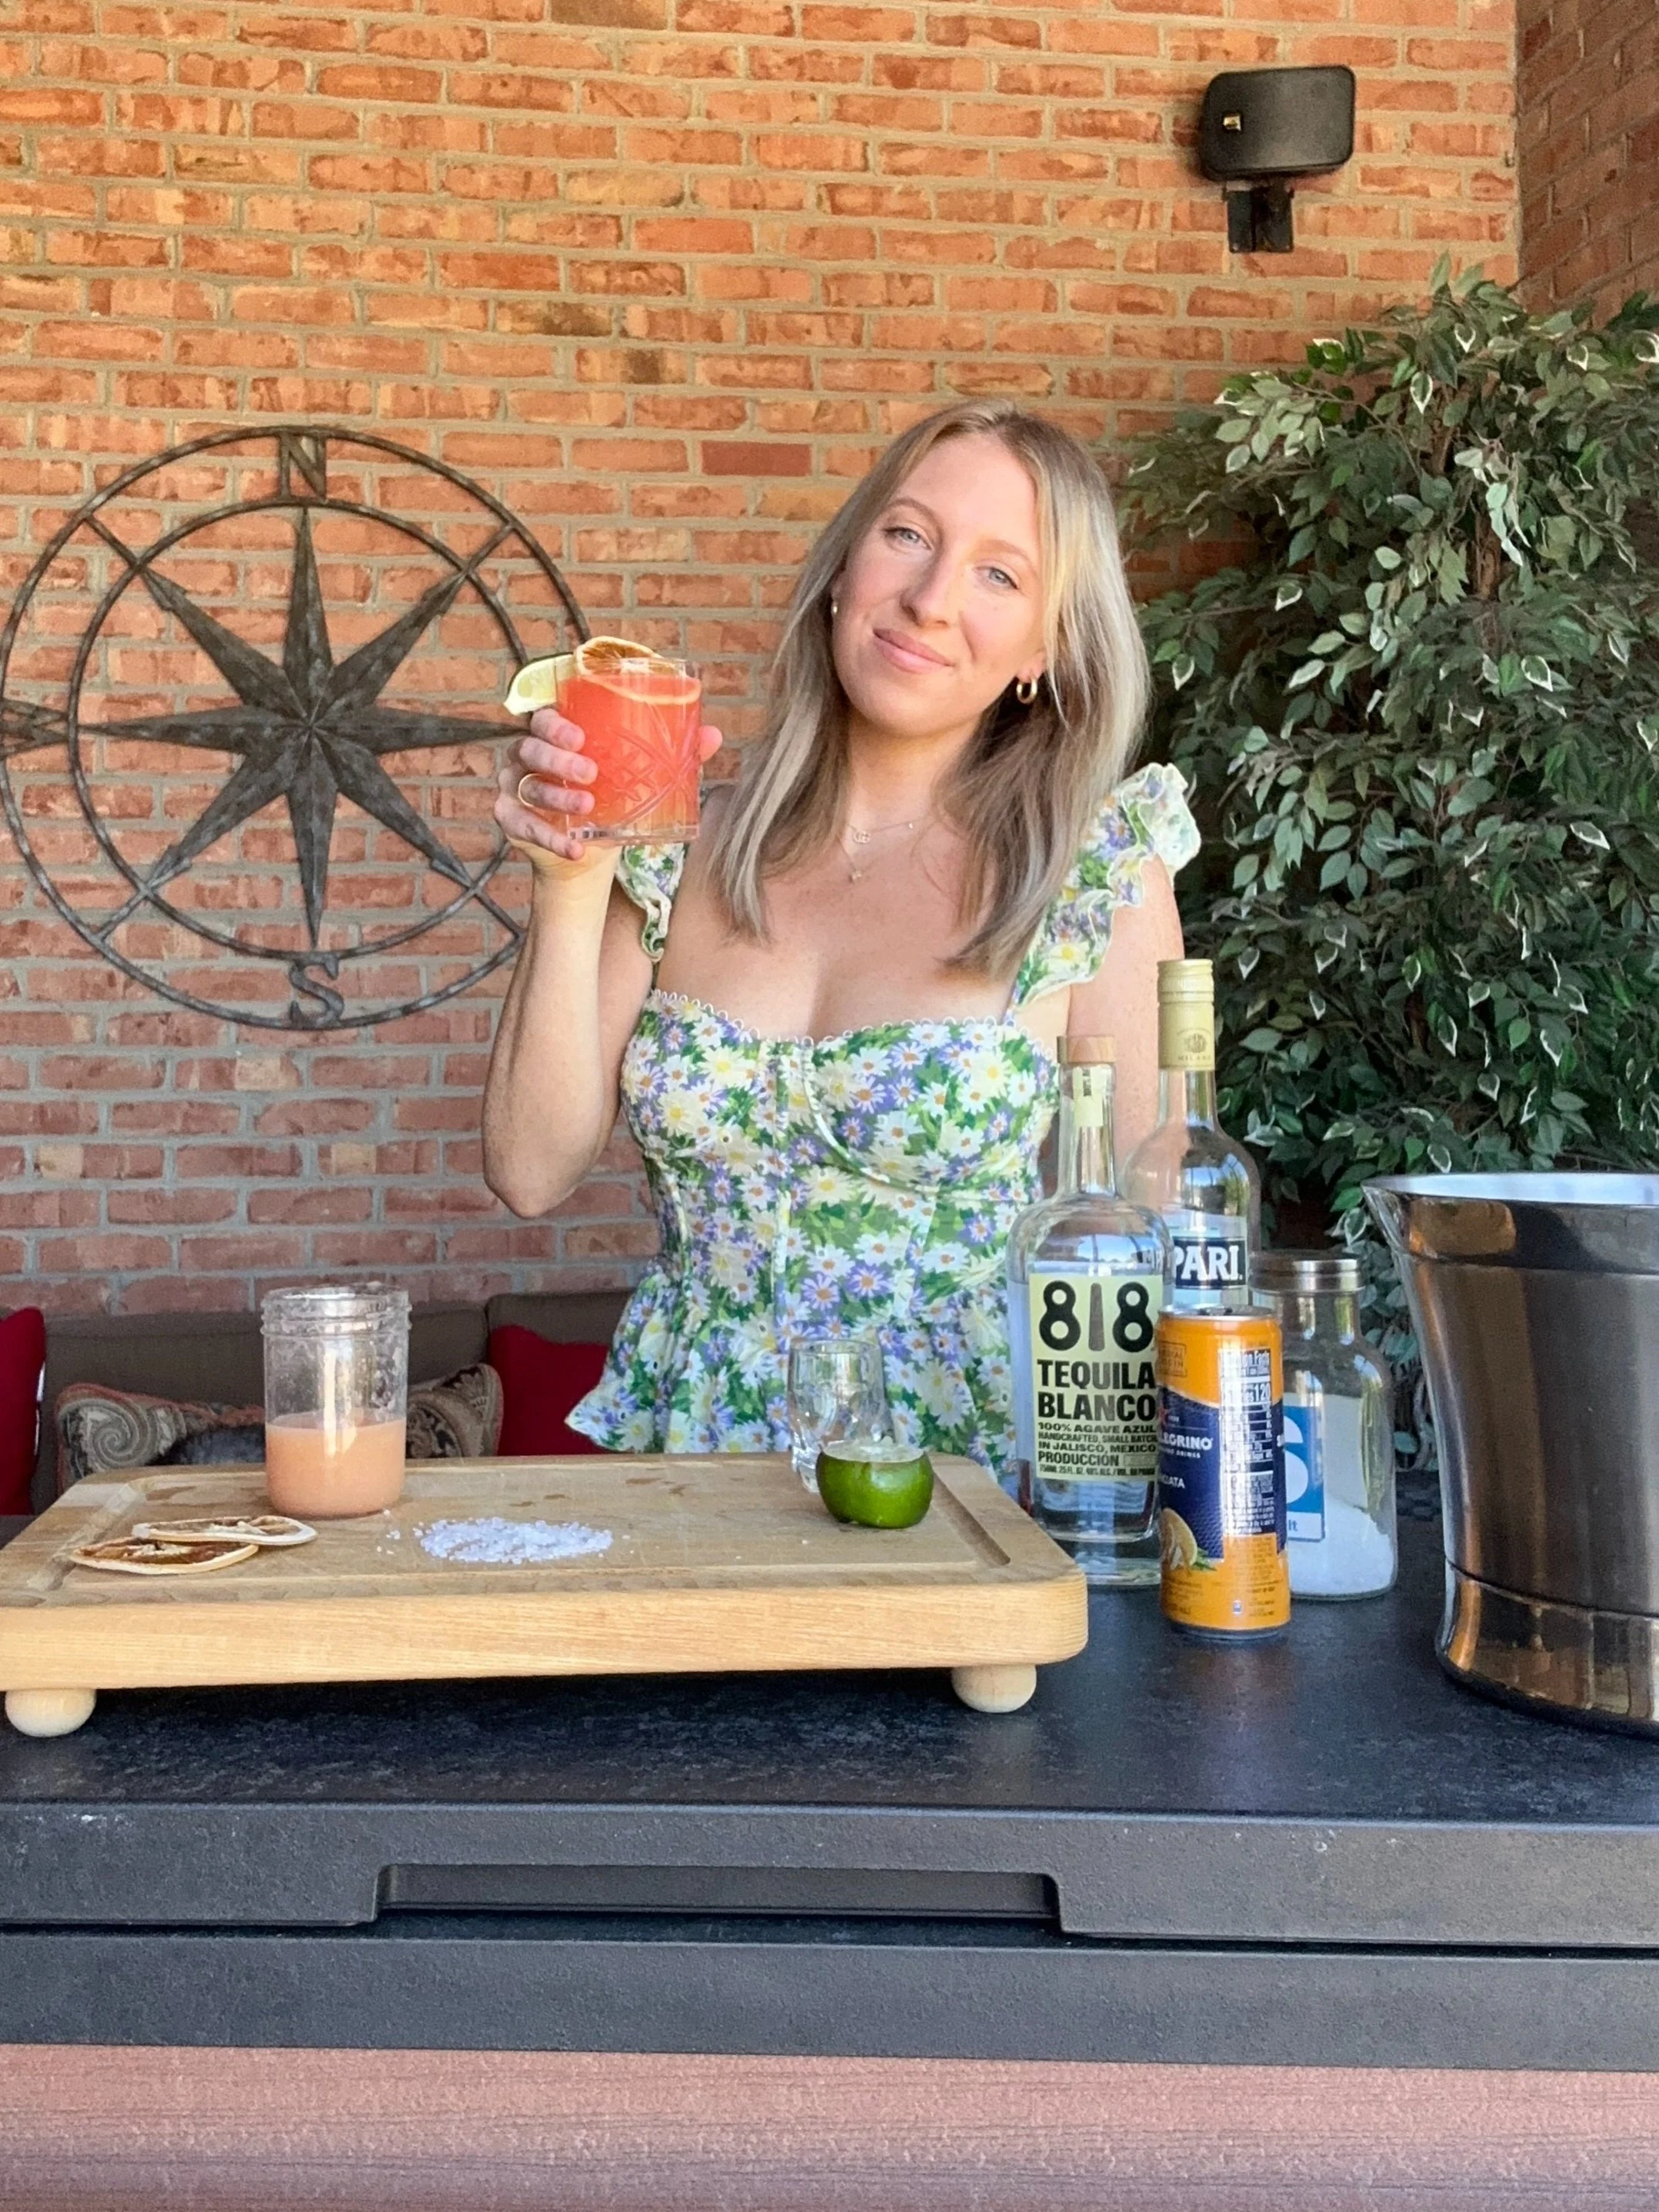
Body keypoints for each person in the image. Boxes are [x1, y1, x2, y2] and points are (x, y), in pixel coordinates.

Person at [482, 398, 1198, 1481]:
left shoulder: (1096, 876)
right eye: (908, 534)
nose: (930, 599)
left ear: (1045, 648)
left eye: (999, 574)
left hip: (965, 1504)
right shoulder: (678, 851)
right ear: (843, 569)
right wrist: (570, 885)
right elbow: (531, 1171)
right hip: (691, 1482)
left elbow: (1159, 1247)